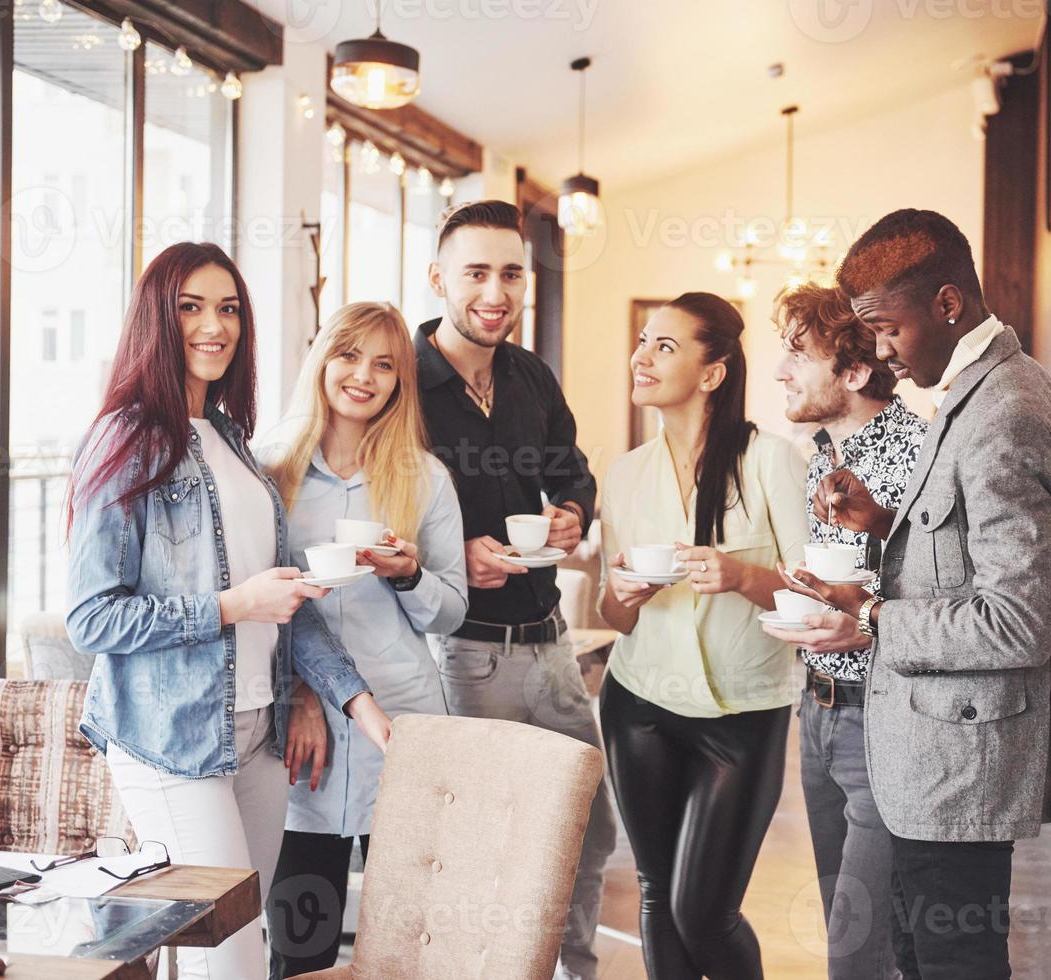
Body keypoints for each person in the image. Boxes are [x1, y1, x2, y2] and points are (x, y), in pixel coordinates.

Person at [783, 209, 1051, 979]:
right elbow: (965, 554)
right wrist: (880, 526)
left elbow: (1016, 622)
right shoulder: (981, 390)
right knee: (916, 953)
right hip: (934, 757)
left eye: (886, 328)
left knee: (952, 961)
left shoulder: (1003, 412)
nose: (878, 351)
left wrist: (868, 616)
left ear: (946, 303)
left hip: (957, 760)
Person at [65, 242, 391, 980]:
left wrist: (360, 704)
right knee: (233, 966)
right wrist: (231, 604)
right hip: (171, 744)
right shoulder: (126, 438)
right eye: (191, 307)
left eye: (228, 308)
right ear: (157, 318)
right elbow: (93, 618)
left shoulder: (233, 441)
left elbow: (283, 600)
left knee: (236, 955)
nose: (215, 325)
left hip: (258, 737)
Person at [413, 200, 614, 980]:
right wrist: (452, 555)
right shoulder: (402, 380)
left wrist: (571, 514)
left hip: (552, 645)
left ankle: (577, 972)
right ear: (437, 278)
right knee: (484, 852)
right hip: (463, 653)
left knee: (584, 834)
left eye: (510, 274)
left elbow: (572, 469)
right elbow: (375, 504)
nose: (494, 292)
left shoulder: (530, 373)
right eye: (475, 272)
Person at [598, 292, 809, 979]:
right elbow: (615, 615)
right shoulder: (624, 475)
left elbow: (815, 600)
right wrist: (623, 594)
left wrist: (742, 576)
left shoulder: (770, 461)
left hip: (743, 716)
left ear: (712, 371)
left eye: (664, 345)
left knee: (703, 912)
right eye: (641, 342)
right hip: (639, 707)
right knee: (658, 896)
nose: (641, 357)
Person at [261, 301, 468, 976]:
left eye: (384, 364)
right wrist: (297, 690)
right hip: (301, 748)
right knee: (299, 950)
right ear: (322, 359)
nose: (364, 375)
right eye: (349, 355)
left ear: (400, 382)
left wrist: (410, 575)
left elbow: (451, 613)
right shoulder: (270, 474)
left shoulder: (425, 478)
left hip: (403, 729)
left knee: (406, 952)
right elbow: (265, 607)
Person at [762, 282, 927, 980]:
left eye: (797, 355)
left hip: (887, 718)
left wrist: (862, 622)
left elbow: (942, 594)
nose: (780, 372)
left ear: (854, 373)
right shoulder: (825, 451)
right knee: (850, 922)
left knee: (858, 955)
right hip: (821, 708)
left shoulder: (922, 452)